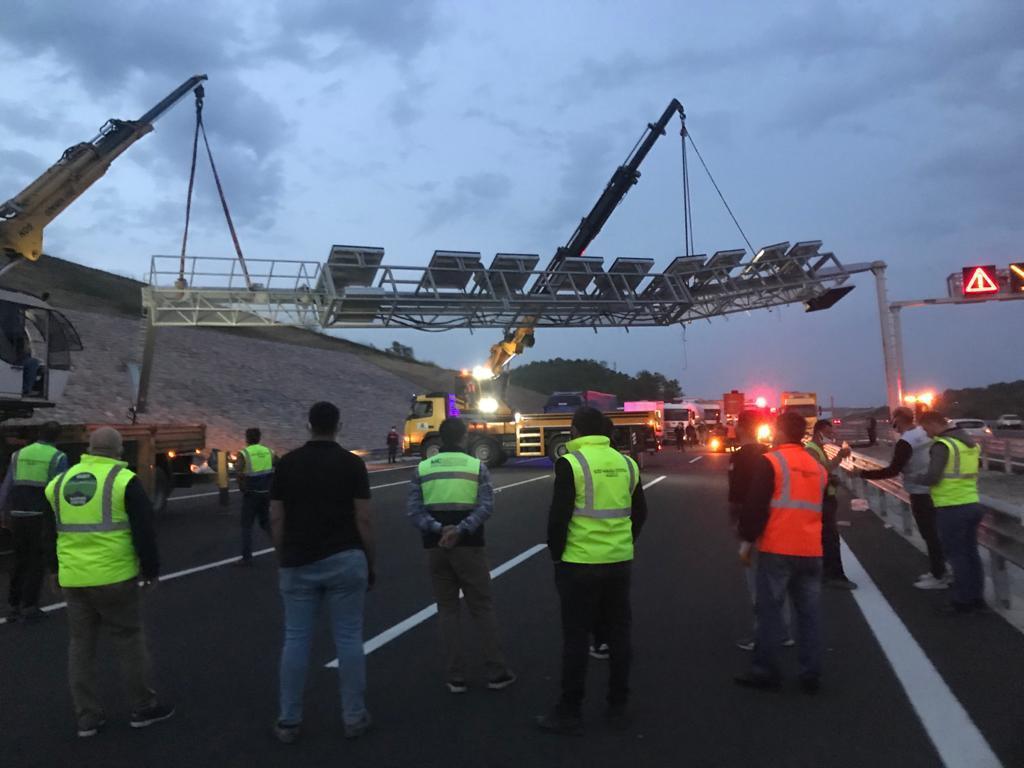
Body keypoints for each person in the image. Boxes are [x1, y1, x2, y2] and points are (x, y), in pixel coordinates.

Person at [44, 427, 173, 737]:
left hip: (74, 578)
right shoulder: (123, 481)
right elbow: (144, 530)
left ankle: (87, 716)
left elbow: (48, 532)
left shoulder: (58, 483)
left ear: (89, 448)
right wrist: (151, 569)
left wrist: (53, 570)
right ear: (118, 451)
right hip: (115, 577)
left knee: (80, 646)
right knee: (128, 640)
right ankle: (143, 706)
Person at [269, 402, 375, 743]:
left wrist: (282, 554)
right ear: (338, 426)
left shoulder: (287, 463)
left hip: (298, 560)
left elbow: (276, 517)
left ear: (308, 425)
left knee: (296, 639)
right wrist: (370, 559)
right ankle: (354, 717)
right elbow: (363, 519)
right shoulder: (352, 464)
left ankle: (289, 720)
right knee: (348, 639)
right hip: (346, 558)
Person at [537, 406, 647, 734]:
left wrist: (557, 556)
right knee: (618, 634)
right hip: (618, 561)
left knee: (576, 637)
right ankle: (618, 705)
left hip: (579, 563)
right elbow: (640, 512)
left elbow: (558, 519)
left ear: (574, 431)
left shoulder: (571, 463)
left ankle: (570, 710)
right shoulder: (627, 463)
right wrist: (623, 542)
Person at [406, 417, 516, 694]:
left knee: (447, 610)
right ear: (465, 437)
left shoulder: (422, 468)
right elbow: (486, 506)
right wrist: (461, 529)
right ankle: (496, 671)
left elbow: (414, 511)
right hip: (470, 546)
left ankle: (456, 676)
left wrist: (439, 529)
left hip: (435, 547)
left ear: (441, 439)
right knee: (481, 607)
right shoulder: (476, 466)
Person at [735, 411, 827, 693]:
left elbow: (756, 504)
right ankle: (810, 673)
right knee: (809, 615)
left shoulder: (772, 461)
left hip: (778, 548)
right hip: (811, 550)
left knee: (769, 612)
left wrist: (747, 541)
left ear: (781, 431)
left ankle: (765, 670)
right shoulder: (817, 467)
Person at [856, 408, 947, 589]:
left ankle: (939, 576)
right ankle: (942, 571)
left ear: (897, 420)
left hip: (920, 492)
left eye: (893, 420)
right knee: (938, 535)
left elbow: (892, 470)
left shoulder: (905, 442)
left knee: (929, 535)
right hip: (939, 489)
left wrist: (862, 473)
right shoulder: (925, 433)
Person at [728, 411, 793, 651]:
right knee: (776, 581)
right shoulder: (770, 454)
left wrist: (741, 530)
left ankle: (761, 633)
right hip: (776, 524)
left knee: (757, 583)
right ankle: (784, 631)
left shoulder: (740, 458)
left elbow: (736, 498)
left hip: (752, 528)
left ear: (741, 428)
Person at [917, 411, 986, 614]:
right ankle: (977, 599)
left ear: (932, 423)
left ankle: (962, 601)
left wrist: (917, 478)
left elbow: (933, 477)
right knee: (971, 555)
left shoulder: (943, 445)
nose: (926, 433)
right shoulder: (969, 443)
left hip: (951, 507)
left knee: (957, 556)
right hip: (972, 503)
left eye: (925, 428)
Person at [1, 421, 68, 621]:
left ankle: (13, 605)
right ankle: (29, 606)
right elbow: (59, 490)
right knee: (37, 560)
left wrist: (3, 511)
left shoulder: (18, 454)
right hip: (40, 515)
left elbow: (7, 485)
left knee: (20, 558)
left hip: (18, 513)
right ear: (57, 437)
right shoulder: (58, 457)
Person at [806, 420, 856, 589]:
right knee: (830, 540)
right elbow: (822, 471)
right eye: (828, 433)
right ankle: (833, 575)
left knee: (827, 539)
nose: (831, 435)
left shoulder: (819, 449)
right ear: (819, 431)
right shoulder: (811, 449)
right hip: (822, 499)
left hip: (827, 497)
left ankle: (824, 573)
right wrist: (840, 457)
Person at [234, 428, 274, 566]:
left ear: (247, 438)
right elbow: (277, 467)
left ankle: (247, 557)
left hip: (251, 494)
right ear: (259, 438)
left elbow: (238, 473)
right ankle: (281, 546)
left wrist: (242, 488)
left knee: (247, 525)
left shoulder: (244, 454)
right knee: (266, 522)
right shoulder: (269, 452)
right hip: (266, 493)